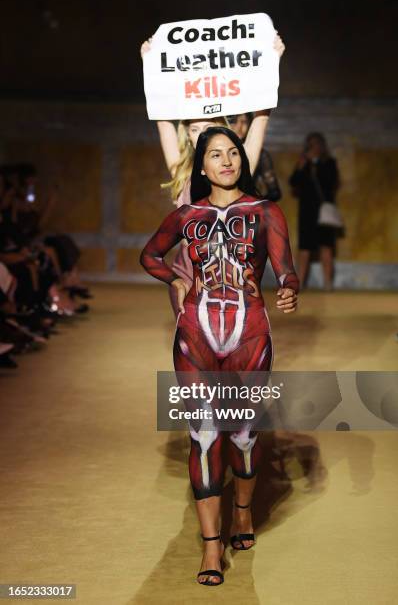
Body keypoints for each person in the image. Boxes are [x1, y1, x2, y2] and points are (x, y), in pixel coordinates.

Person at [140, 126, 299, 586]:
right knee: (205, 434)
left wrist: (288, 290)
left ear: (241, 161)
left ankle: (243, 514)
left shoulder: (266, 211)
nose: (227, 160)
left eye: (233, 153)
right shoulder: (187, 214)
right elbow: (149, 255)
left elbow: (286, 268)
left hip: (250, 335)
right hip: (195, 335)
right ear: (202, 164)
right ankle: (212, 546)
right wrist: (175, 278)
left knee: (243, 435)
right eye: (216, 154)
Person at [140, 34, 286, 315]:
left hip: (235, 269)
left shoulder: (236, 163)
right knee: (194, 349)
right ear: (188, 136)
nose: (202, 134)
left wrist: (271, 62)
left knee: (238, 351)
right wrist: (151, 66)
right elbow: (162, 119)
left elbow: (261, 119)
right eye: (195, 129)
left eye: (208, 126)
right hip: (189, 269)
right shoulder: (181, 169)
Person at [289, 132, 340, 291]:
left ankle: (327, 284)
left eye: (317, 144)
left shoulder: (329, 163)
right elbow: (293, 182)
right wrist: (302, 166)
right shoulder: (303, 162)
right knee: (304, 248)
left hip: (324, 212)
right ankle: (300, 283)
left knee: (326, 247)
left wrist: (316, 165)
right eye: (311, 144)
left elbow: (332, 182)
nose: (314, 147)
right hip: (307, 211)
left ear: (322, 146)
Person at [229, 112, 282, 202]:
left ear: (250, 124)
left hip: (246, 211)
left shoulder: (260, 154)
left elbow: (275, 193)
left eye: (244, 122)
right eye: (234, 122)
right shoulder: (214, 152)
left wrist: (253, 203)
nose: (239, 127)